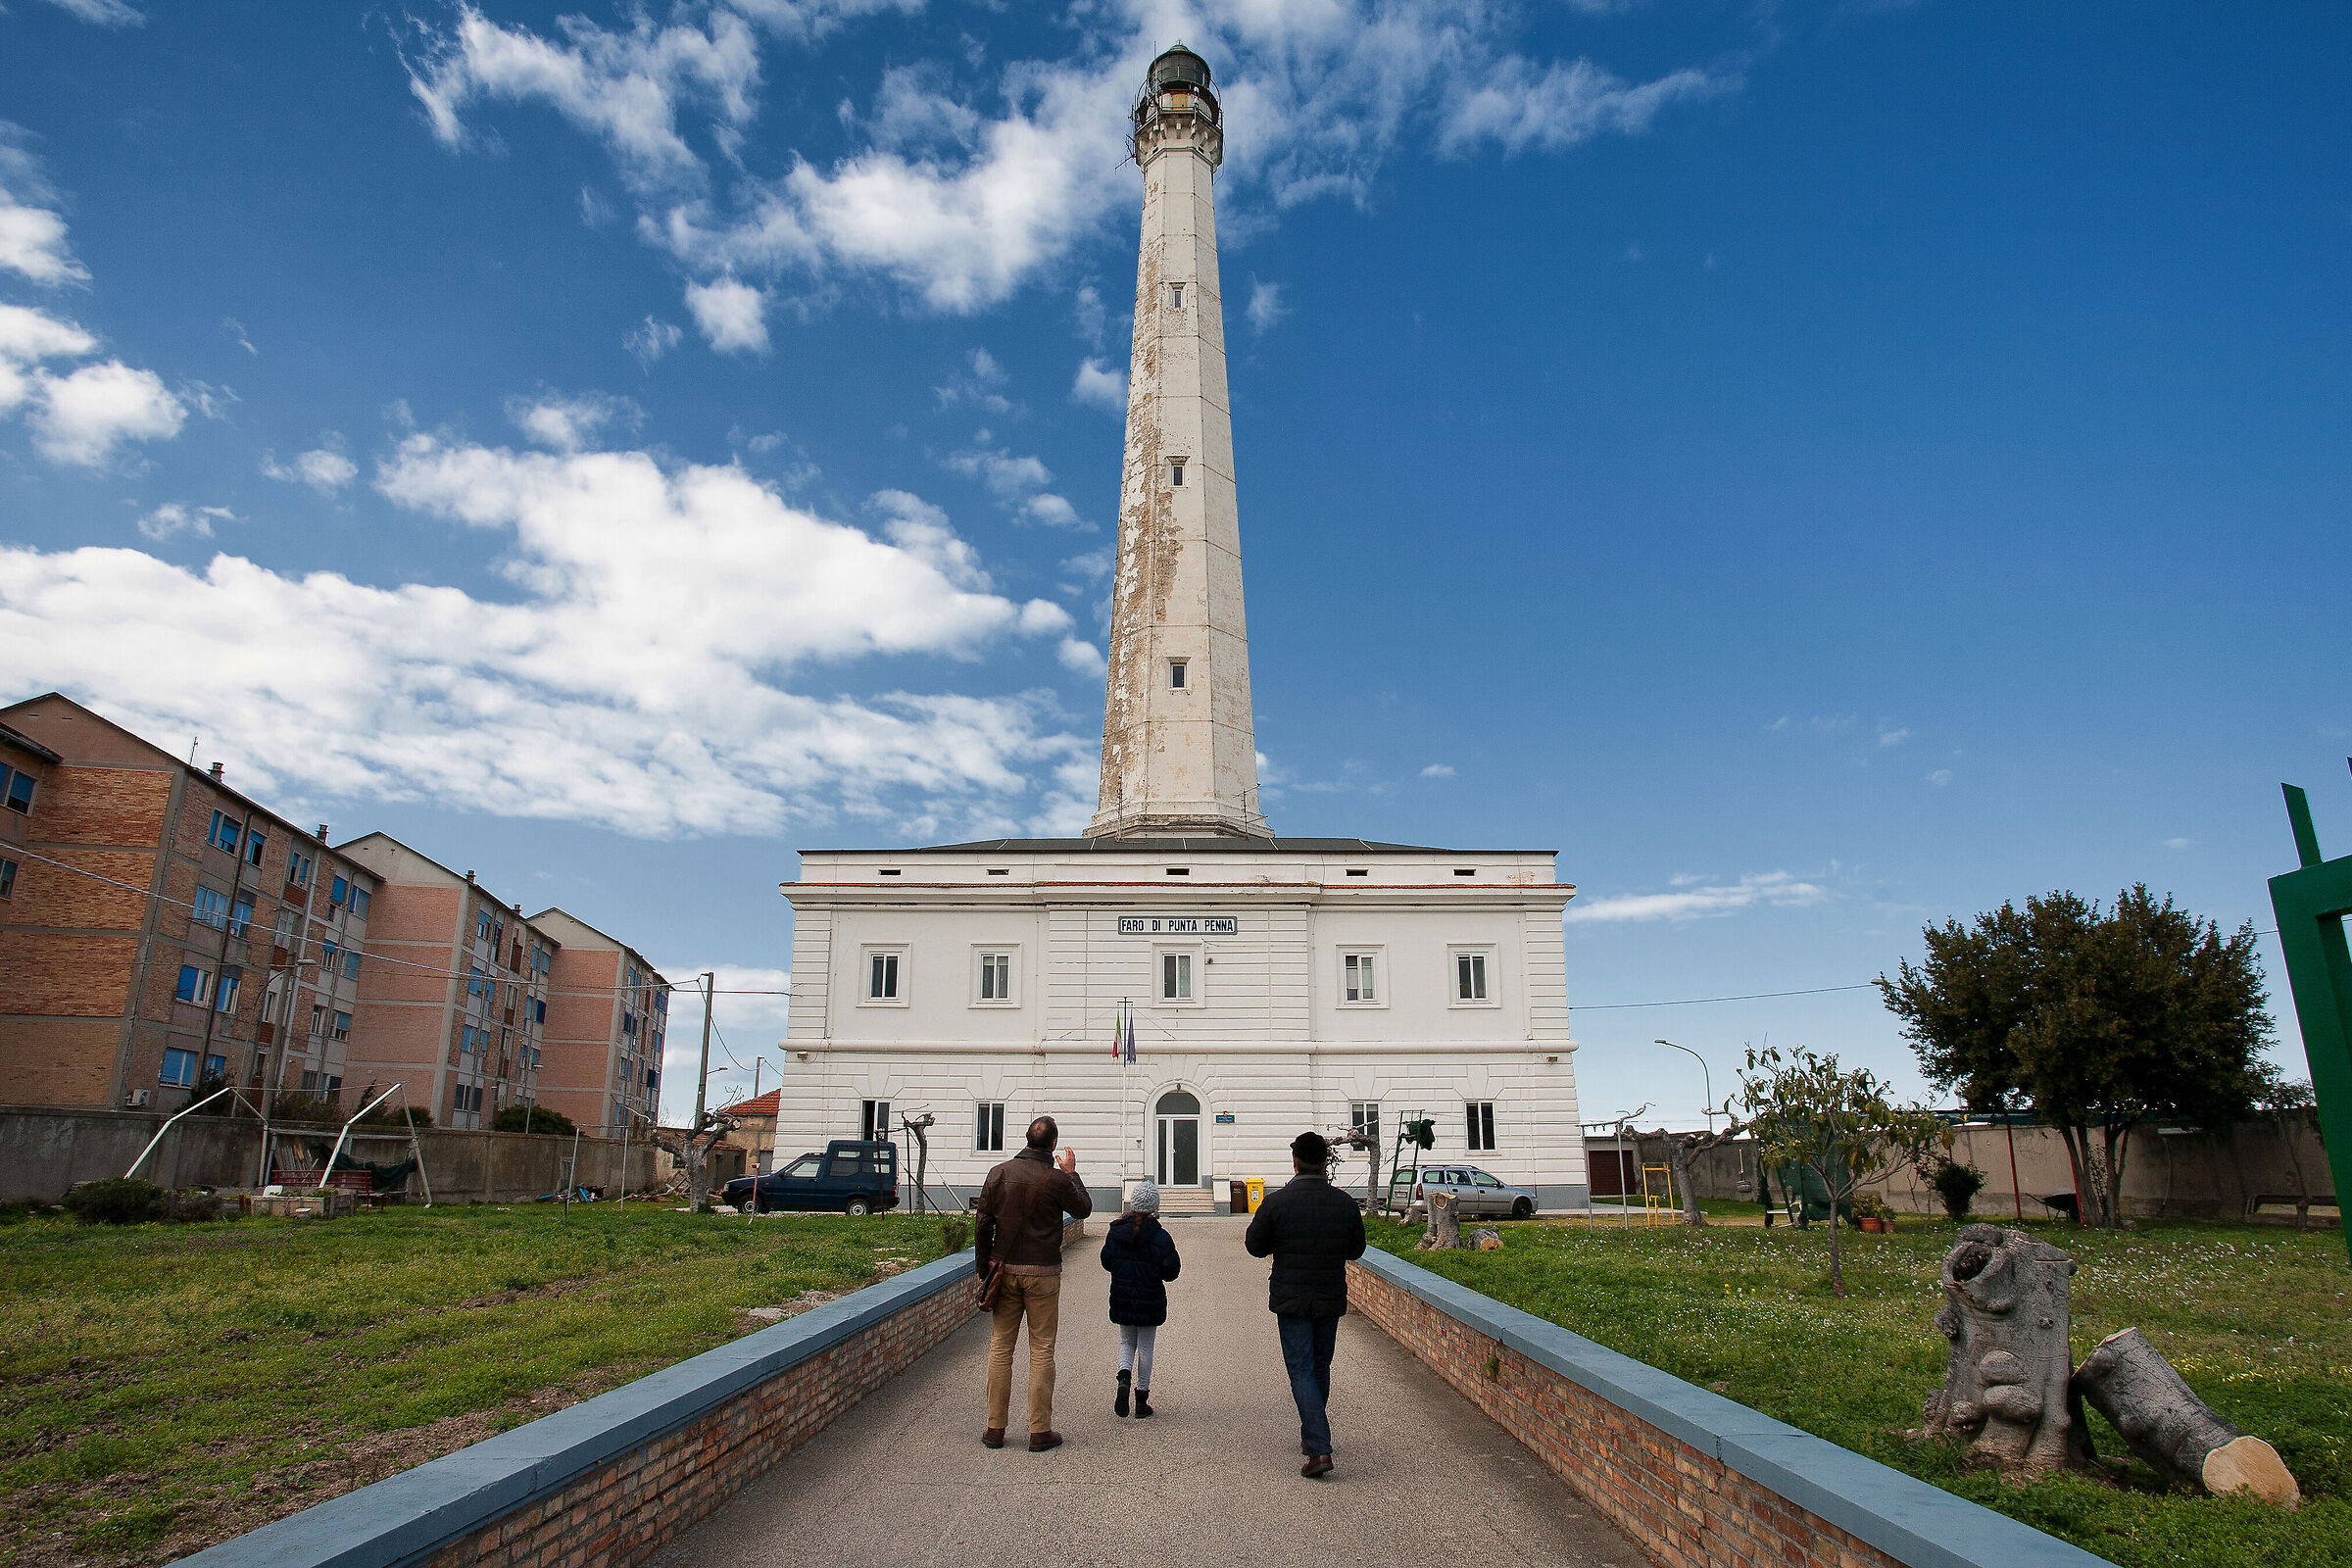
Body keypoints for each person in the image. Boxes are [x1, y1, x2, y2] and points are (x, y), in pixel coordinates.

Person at [1243, 1129, 1366, 1479]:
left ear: (1295, 1162)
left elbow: (1254, 1245)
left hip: (1292, 1297)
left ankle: (1319, 1446)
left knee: (1301, 1369)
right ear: (1325, 1162)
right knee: (1319, 1367)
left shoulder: (1278, 1202)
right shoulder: (1343, 1203)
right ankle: (1312, 1438)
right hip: (1329, 1295)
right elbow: (1357, 1250)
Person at [974, 1114, 1093, 1451]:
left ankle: (995, 1428)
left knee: (1000, 1348)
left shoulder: (999, 1173)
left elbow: (983, 1225)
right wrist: (1071, 1173)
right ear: (1053, 1144)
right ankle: (1039, 1431)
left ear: (1027, 1139)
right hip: (1042, 1273)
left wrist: (984, 1268)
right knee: (1041, 1349)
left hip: (1005, 1271)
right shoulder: (1056, 1179)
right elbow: (1084, 1208)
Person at [1099, 1179, 1182, 1419]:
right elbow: (1171, 1271)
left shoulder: (1116, 1231)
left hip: (1123, 1297)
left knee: (1126, 1342)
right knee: (1145, 1346)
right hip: (1149, 1299)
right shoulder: (1161, 1237)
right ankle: (1141, 1400)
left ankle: (1123, 1376)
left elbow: (1106, 1261)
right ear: (1155, 1206)